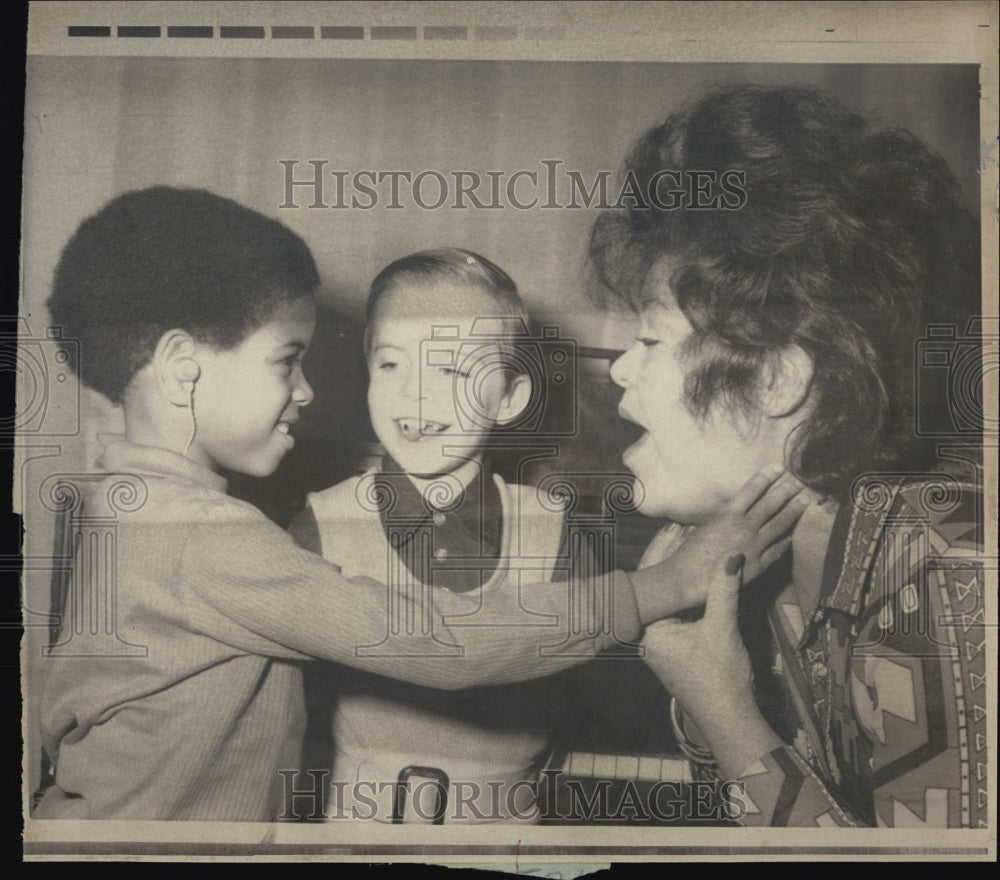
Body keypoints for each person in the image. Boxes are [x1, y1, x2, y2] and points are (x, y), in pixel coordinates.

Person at [35, 186, 805, 822]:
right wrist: (659, 587)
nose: (307, 389)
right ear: (180, 369)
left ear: (511, 397)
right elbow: (438, 641)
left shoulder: (129, 514)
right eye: (287, 360)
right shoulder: (202, 538)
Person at [590, 84, 985, 827]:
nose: (618, 369)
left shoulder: (948, 580)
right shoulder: (792, 559)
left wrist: (719, 707)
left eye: (649, 340)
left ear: (776, 379)